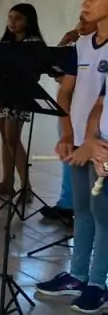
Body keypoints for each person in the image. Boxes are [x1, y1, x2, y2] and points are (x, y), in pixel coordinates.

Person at [37, 0, 108, 315]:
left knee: (103, 214)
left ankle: (98, 282)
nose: (85, 2)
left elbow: (101, 101)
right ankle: (78, 275)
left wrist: (93, 143)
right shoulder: (81, 46)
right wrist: (67, 134)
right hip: (80, 141)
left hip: (102, 147)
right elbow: (66, 93)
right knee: (82, 210)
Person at [0, 4, 44, 200]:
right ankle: (7, 182)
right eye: (10, 17)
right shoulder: (6, 42)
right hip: (1, 93)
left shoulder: (33, 43)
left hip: (19, 95)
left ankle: (26, 186)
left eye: (17, 18)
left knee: (13, 139)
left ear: (28, 20)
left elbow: (38, 69)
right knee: (5, 139)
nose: (12, 22)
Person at [40, 17, 96, 226]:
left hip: (90, 118)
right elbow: (54, 70)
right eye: (79, 21)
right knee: (69, 160)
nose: (81, 24)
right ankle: (68, 205)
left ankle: (80, 207)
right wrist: (65, 39)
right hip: (69, 114)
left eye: (86, 22)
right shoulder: (77, 47)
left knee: (92, 169)